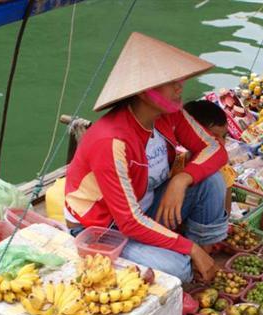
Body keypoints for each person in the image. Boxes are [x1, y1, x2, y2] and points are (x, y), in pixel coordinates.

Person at [65, 32, 229, 283]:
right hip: (104, 228)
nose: (180, 86)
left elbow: (214, 149)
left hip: (145, 205)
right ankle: (191, 257)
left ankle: (201, 259)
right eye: (171, 81)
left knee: (212, 182)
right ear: (144, 92)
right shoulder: (111, 140)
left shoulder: (168, 114)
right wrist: (188, 248)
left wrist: (182, 179)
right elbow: (129, 222)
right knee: (177, 270)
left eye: (179, 79)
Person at [183, 99, 236, 215]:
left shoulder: (223, 171)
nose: (221, 143)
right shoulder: (177, 163)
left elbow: (225, 212)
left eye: (224, 136)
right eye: (214, 137)